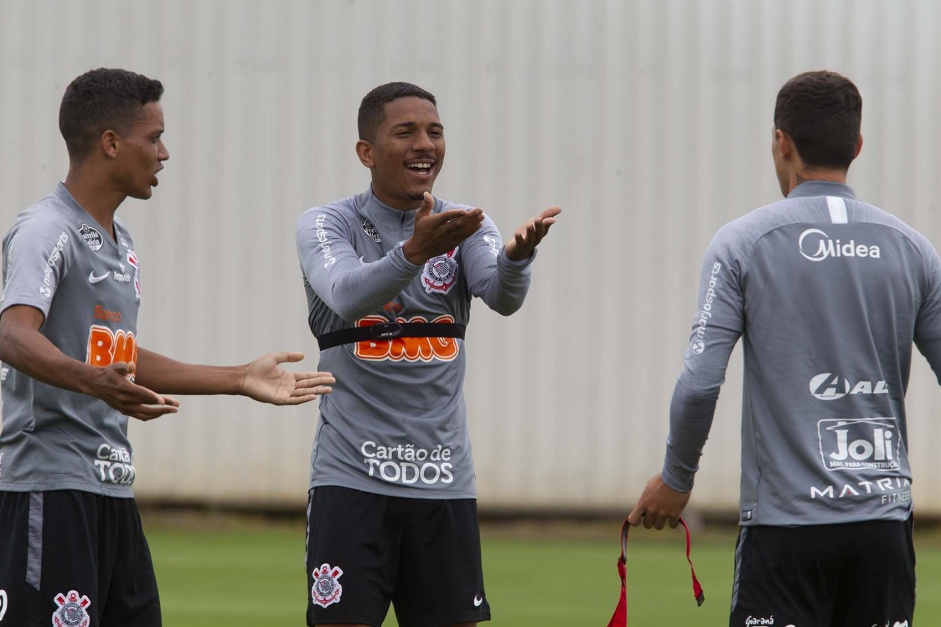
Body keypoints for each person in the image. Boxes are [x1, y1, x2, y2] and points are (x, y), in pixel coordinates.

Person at [0, 68, 335, 627]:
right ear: (111, 143)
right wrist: (90, 380)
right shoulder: (44, 230)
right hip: (49, 488)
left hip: (110, 489)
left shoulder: (120, 243)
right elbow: (12, 335)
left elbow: (115, 357)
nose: (165, 152)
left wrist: (237, 378)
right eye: (153, 137)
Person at [628, 70, 939, 626]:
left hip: (786, 530)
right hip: (884, 527)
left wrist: (677, 478)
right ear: (857, 146)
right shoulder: (913, 248)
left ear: (781, 143)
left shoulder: (744, 242)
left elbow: (701, 381)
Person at [295, 81, 560, 627]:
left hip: (443, 480)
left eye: (435, 132)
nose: (425, 144)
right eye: (406, 132)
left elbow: (502, 299)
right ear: (366, 152)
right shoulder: (327, 223)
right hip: (351, 478)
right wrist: (415, 251)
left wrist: (517, 259)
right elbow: (346, 294)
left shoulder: (465, 223)